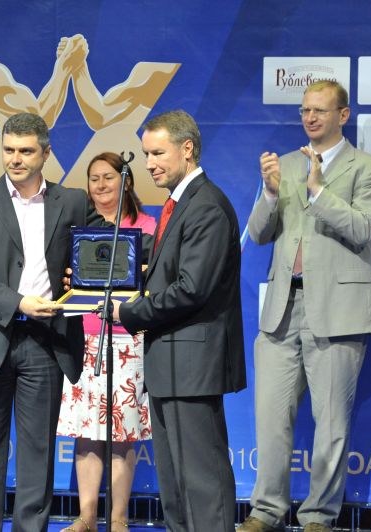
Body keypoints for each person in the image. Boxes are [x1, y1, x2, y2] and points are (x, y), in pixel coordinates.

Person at [240, 80, 371, 532]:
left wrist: (320, 192)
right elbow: (260, 235)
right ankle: (266, 511)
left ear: (343, 115)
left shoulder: (369, 168)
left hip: (339, 311)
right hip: (283, 311)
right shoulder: (284, 165)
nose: (310, 118)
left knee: (331, 425)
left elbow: (363, 229)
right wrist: (268, 193)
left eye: (320, 110)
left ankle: (319, 517)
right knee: (270, 419)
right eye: (305, 110)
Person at [0, 112, 104, 531]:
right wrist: (19, 302)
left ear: (46, 153)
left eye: (25, 150)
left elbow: (98, 255)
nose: (15, 159)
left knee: (38, 454)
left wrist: (81, 276)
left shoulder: (72, 201)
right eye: (9, 150)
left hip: (46, 342)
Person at [111, 110, 246, 531]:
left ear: (187, 149)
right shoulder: (179, 204)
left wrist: (126, 312)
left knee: (201, 481)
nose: (149, 163)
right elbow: (165, 270)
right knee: (175, 484)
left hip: (194, 364)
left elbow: (191, 288)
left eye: (157, 152)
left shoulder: (206, 206)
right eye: (146, 153)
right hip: (170, 362)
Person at [57, 152, 155, 532]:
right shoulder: (78, 227)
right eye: (93, 178)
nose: (100, 185)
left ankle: (118, 519)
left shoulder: (147, 226)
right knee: (88, 433)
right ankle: (86, 518)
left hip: (129, 340)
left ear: (125, 181)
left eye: (108, 177)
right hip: (84, 338)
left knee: (121, 434)